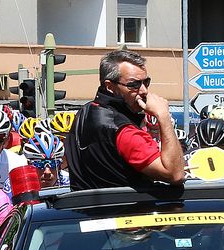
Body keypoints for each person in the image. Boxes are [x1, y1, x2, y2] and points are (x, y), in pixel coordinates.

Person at [64, 50, 185, 190]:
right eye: (134, 85)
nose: (144, 90)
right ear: (110, 86)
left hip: (83, 208)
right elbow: (175, 174)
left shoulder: (86, 111)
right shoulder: (123, 129)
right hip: (125, 209)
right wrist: (163, 116)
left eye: (146, 82)